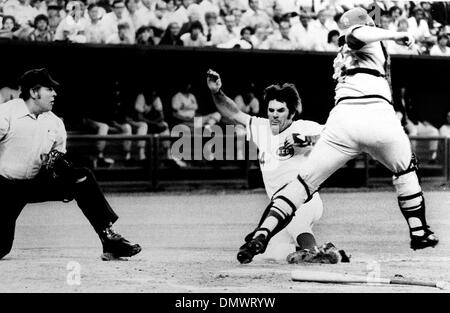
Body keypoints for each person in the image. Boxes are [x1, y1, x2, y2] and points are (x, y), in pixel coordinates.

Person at [234, 7, 439, 264]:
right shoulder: (367, 40)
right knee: (406, 171)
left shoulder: (343, 51)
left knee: (301, 185)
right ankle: (419, 230)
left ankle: (263, 232)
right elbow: (357, 33)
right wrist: (396, 34)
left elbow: (353, 35)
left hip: (343, 119)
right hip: (377, 113)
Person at [0, 68, 142, 261]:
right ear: (34, 92)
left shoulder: (55, 123)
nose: (55, 93)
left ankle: (109, 239)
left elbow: (57, 158)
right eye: (49, 88)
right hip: (4, 188)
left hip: (34, 183)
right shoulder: (6, 113)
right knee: (1, 248)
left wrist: (58, 165)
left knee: (82, 178)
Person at [206, 69, 346, 264]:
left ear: (292, 112)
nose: (274, 115)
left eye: (280, 110)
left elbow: (338, 136)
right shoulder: (261, 127)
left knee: (297, 221)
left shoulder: (303, 127)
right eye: (271, 110)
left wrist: (309, 140)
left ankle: (313, 252)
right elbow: (233, 113)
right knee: (273, 253)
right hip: (278, 207)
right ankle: (327, 250)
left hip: (306, 200)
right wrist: (216, 92)